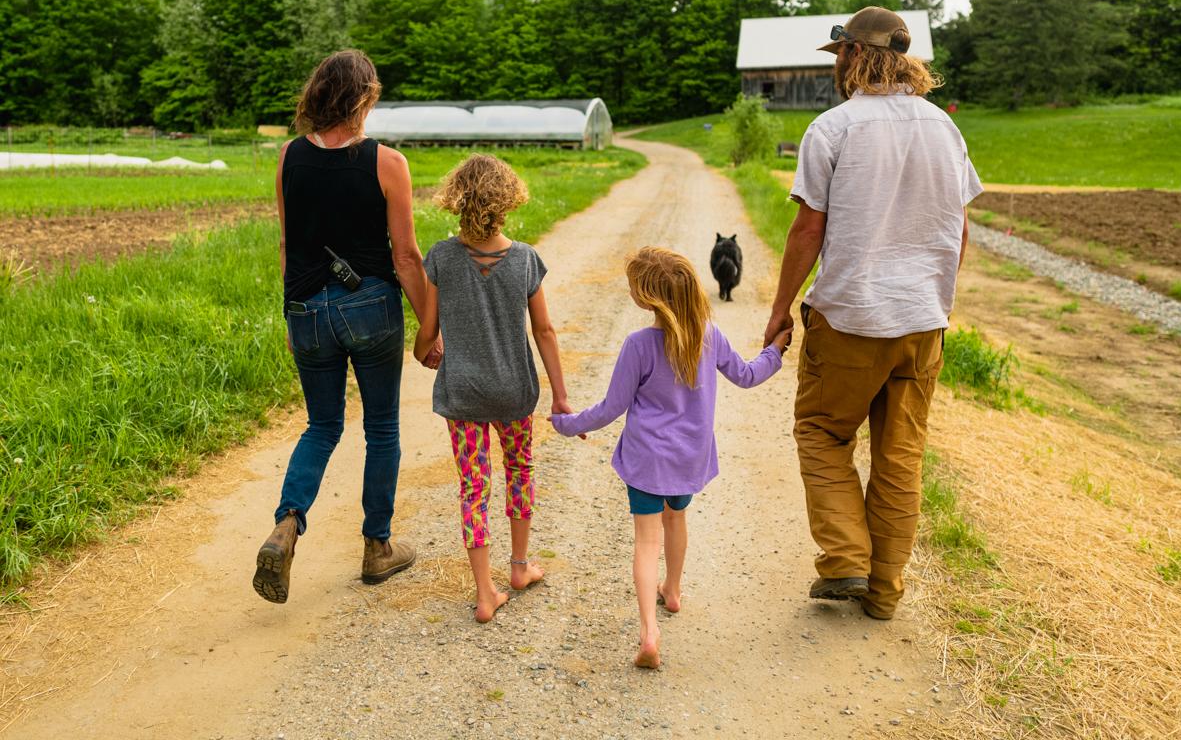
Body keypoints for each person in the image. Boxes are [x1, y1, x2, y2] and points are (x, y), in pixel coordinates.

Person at [762, 6, 983, 621]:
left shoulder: (833, 129)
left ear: (857, 57)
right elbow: (959, 232)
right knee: (900, 455)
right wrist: (934, 296)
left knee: (823, 433)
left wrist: (780, 310)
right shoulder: (944, 128)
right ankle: (884, 593)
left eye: (840, 58)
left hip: (850, 318)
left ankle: (845, 563)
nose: (838, 71)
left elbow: (808, 231)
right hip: (923, 323)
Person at [253, 49, 441, 605]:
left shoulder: (289, 158)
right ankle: (377, 549)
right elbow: (405, 257)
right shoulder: (387, 163)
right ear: (362, 99)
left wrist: (293, 313)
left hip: (308, 309)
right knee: (381, 428)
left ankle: (287, 524)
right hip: (370, 307)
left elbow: (289, 246)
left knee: (322, 425)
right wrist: (431, 327)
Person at [553, 247, 790, 669]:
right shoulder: (710, 335)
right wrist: (776, 350)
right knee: (676, 519)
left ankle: (649, 632)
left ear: (647, 298)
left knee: (646, 542)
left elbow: (611, 408)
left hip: (647, 461)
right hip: (688, 460)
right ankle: (674, 591)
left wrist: (568, 423)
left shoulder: (639, 345)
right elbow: (748, 375)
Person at [414, 154, 570, 623]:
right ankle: (519, 568)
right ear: (508, 201)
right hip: (514, 392)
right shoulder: (525, 259)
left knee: (473, 485)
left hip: (463, 394)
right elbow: (544, 331)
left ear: (456, 200)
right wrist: (560, 396)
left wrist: (427, 351)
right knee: (519, 470)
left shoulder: (441, 258)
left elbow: (427, 329)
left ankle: (486, 594)